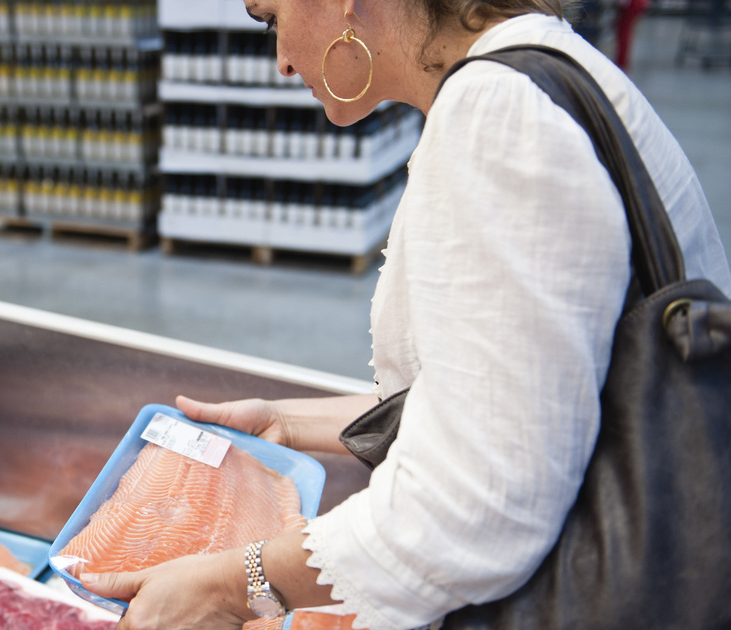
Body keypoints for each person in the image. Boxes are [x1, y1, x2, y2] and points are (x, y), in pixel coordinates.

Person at [79, 1, 731, 629]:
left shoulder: (496, 115)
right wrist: (287, 421)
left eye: (270, 19)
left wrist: (233, 585)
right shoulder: (539, 68)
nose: (279, 60)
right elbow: (513, 388)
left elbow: (477, 508)